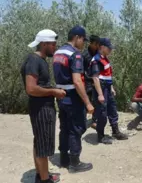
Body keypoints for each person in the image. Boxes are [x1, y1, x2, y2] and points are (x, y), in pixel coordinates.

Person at [20, 29, 65, 183]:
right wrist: (54, 91)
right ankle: (44, 180)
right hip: (41, 109)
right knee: (43, 145)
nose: (55, 47)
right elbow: (31, 88)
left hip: (41, 107)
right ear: (44, 44)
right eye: (53, 44)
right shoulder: (34, 61)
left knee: (39, 143)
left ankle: (42, 175)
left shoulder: (39, 60)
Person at [53, 25, 94, 173]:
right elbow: (77, 81)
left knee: (64, 127)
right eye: (83, 40)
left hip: (60, 95)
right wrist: (88, 102)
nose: (84, 43)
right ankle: (75, 162)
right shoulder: (75, 54)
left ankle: (64, 158)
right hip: (72, 97)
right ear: (77, 38)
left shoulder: (58, 53)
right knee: (76, 128)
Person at [89, 38, 128, 144]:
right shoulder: (96, 60)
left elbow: (107, 75)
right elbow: (96, 78)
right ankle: (100, 136)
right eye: (109, 48)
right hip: (101, 88)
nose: (111, 50)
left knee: (112, 109)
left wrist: (111, 88)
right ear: (102, 47)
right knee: (102, 112)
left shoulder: (105, 59)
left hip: (107, 87)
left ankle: (115, 131)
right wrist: (100, 94)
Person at [83, 35, 100, 129]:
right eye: (96, 44)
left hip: (97, 81)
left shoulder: (99, 54)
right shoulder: (85, 55)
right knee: (86, 101)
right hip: (87, 82)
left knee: (97, 101)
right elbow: (82, 71)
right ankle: (83, 120)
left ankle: (94, 121)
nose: (97, 46)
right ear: (91, 43)